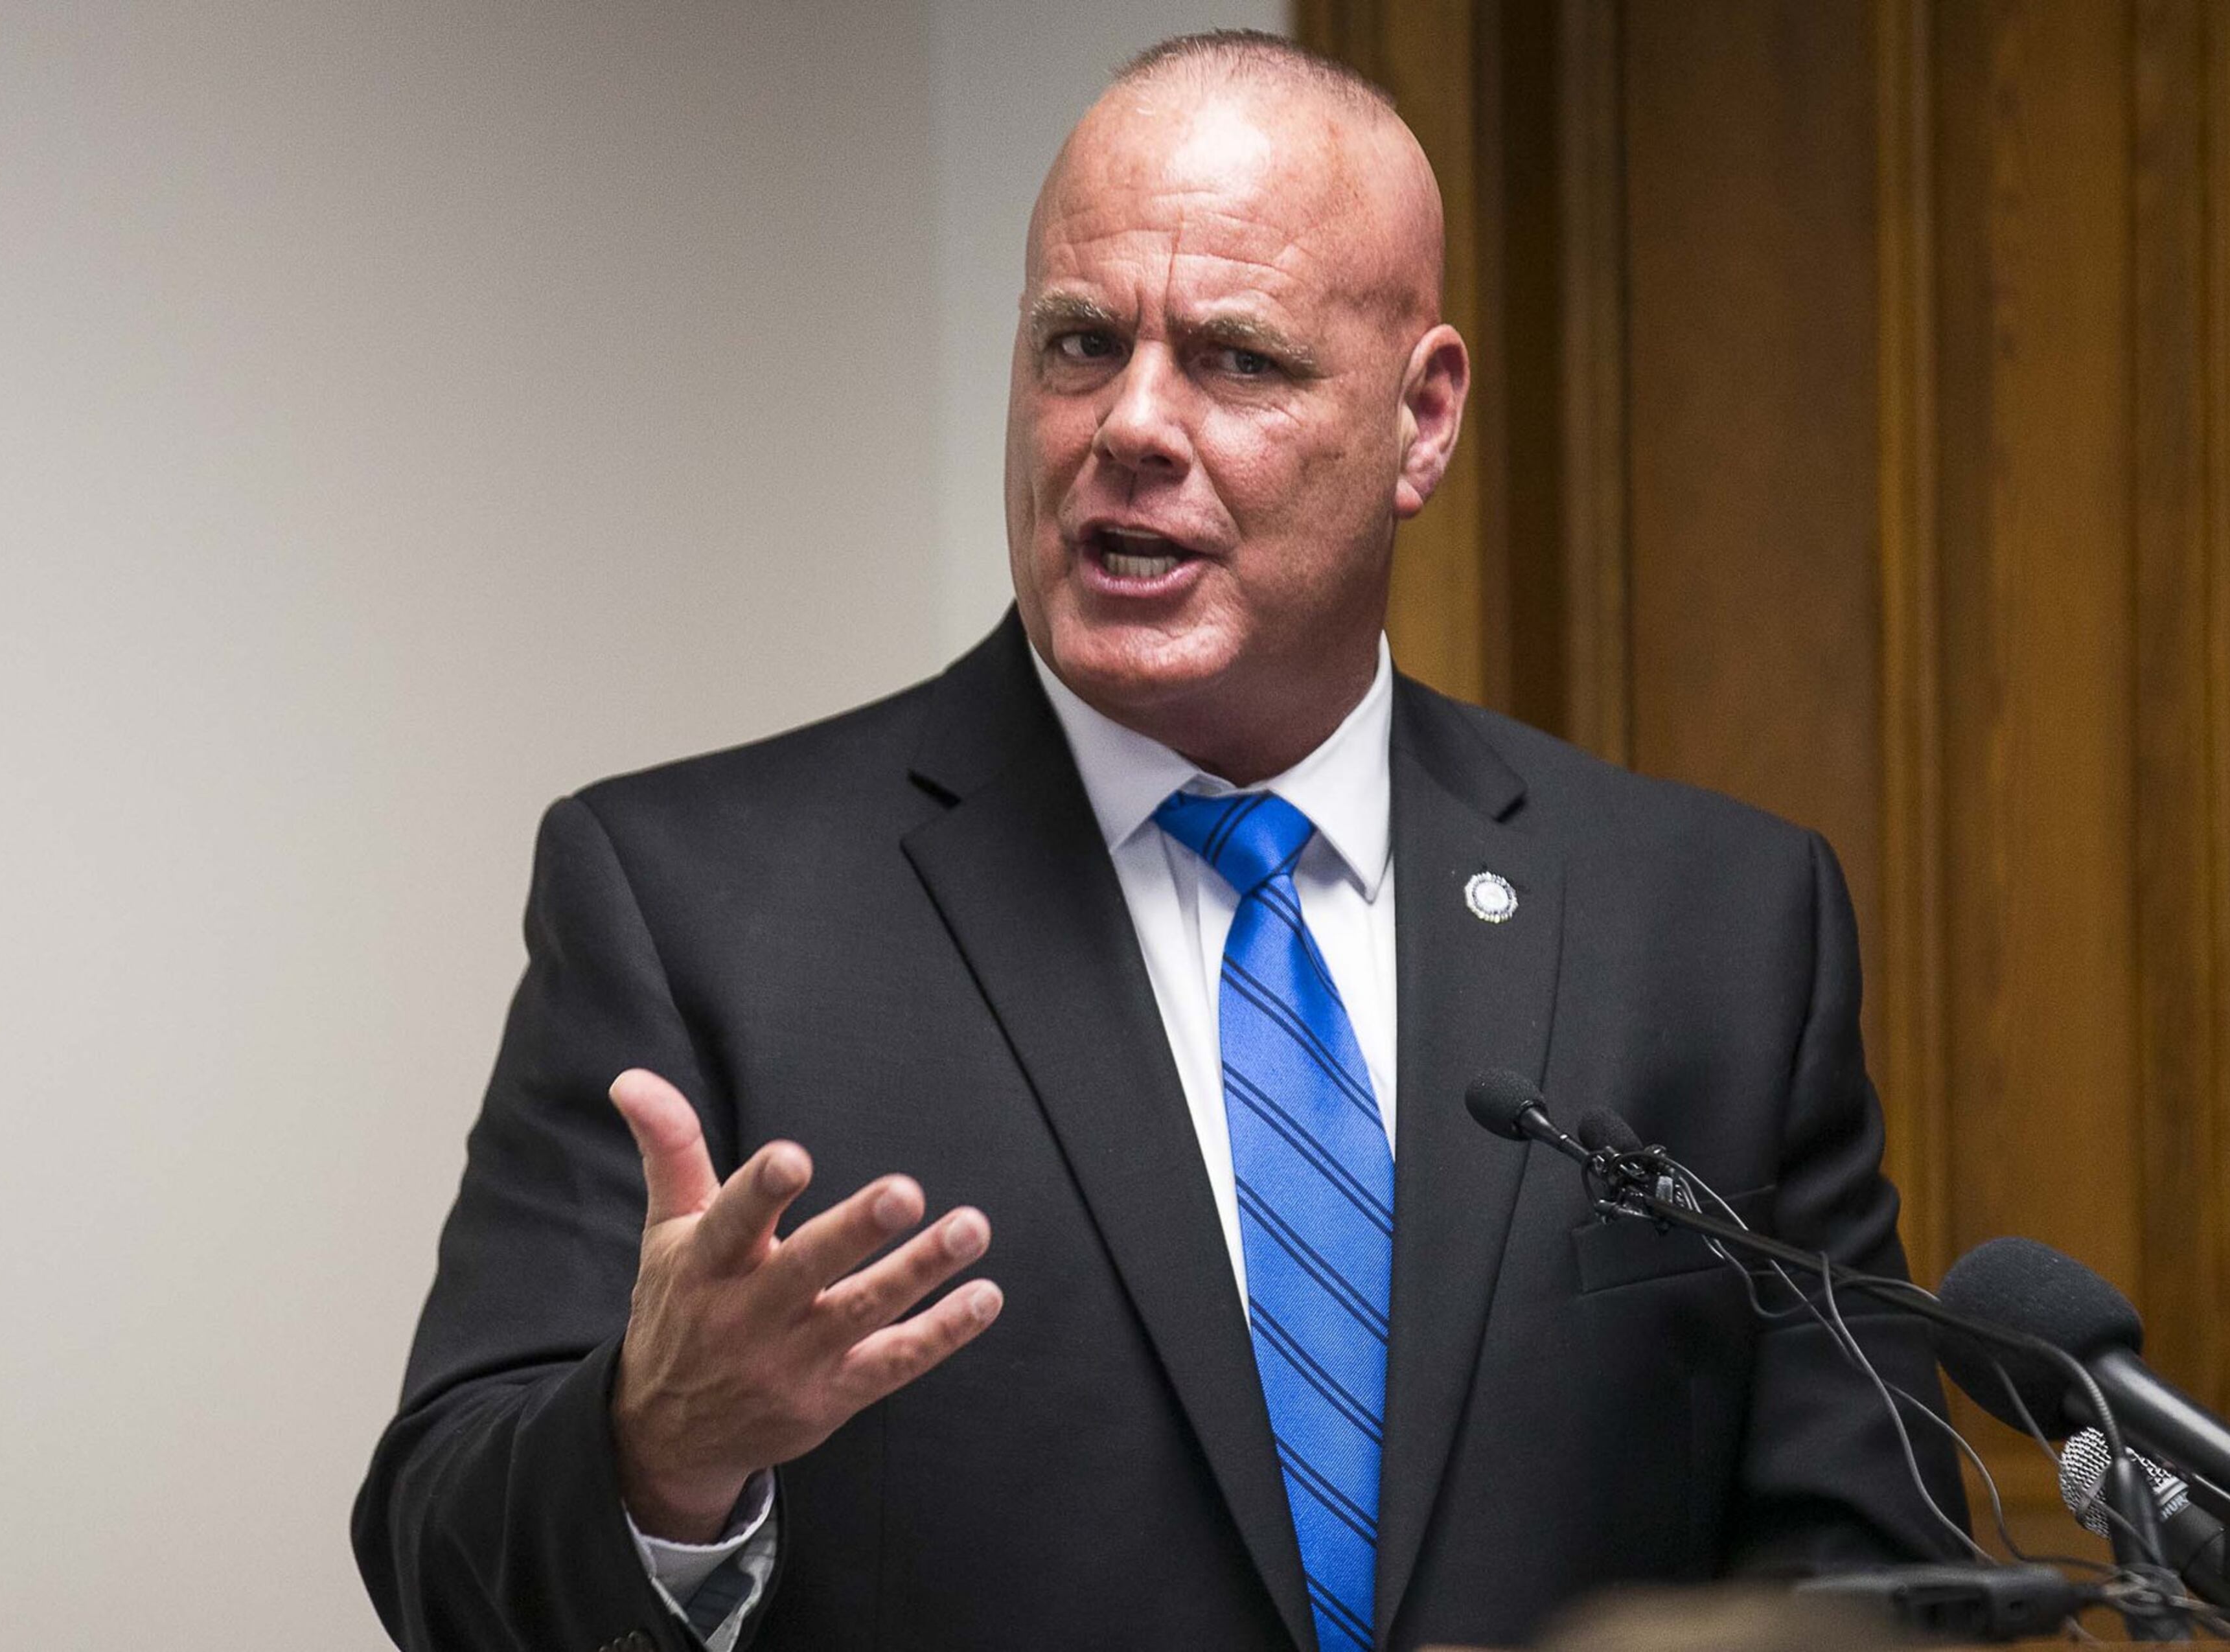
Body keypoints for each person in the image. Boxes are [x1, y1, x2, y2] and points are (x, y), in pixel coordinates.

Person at [354, 30, 1966, 1652]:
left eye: (1236, 361)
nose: (1128, 423)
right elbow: (442, 1560)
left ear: (1423, 422)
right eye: (1077, 343)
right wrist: (662, 1449)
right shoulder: (696, 906)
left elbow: (1881, 1572)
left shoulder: (1715, 925)